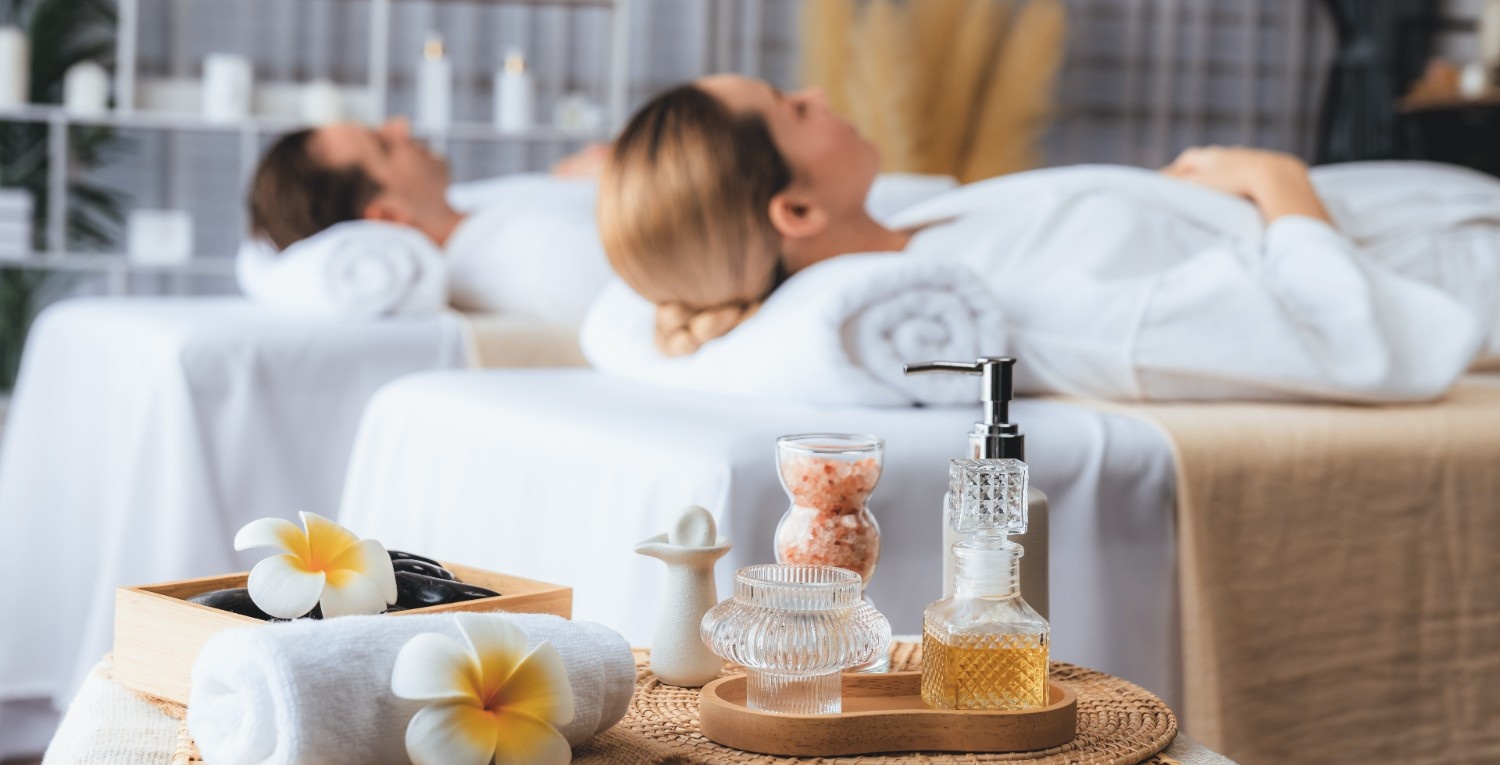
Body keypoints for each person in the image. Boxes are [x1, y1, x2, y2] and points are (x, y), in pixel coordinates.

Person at [596, 74, 1498, 402]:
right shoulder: (1013, 314)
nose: (822, 95)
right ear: (793, 212)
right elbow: (1351, 345)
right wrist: (1276, 181)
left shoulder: (917, 235)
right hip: (1458, 278)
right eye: (796, 109)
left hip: (1432, 212)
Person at [246, 118, 612, 322]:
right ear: (389, 216)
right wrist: (645, 168)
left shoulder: (467, 209)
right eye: (384, 145)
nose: (400, 127)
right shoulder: (540, 258)